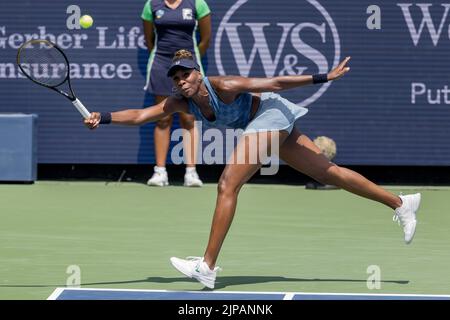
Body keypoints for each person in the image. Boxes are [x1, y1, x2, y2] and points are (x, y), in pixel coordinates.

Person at [84, 50, 421, 289]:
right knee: (326, 172)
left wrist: (323, 76)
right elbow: (143, 115)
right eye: (176, 76)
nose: (181, 80)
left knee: (227, 184)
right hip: (267, 121)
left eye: (186, 73)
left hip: (270, 114)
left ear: (198, 72)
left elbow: (274, 83)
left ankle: (207, 267)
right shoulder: (180, 102)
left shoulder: (224, 86)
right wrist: (105, 116)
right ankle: (400, 203)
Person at [141, 0, 211, 187]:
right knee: (163, 118)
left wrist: (188, 62)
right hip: (161, 63)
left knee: (188, 118)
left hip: (189, 65)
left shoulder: (198, 4)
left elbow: (205, 39)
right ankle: (160, 172)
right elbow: (149, 40)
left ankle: (191, 172)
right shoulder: (152, 5)